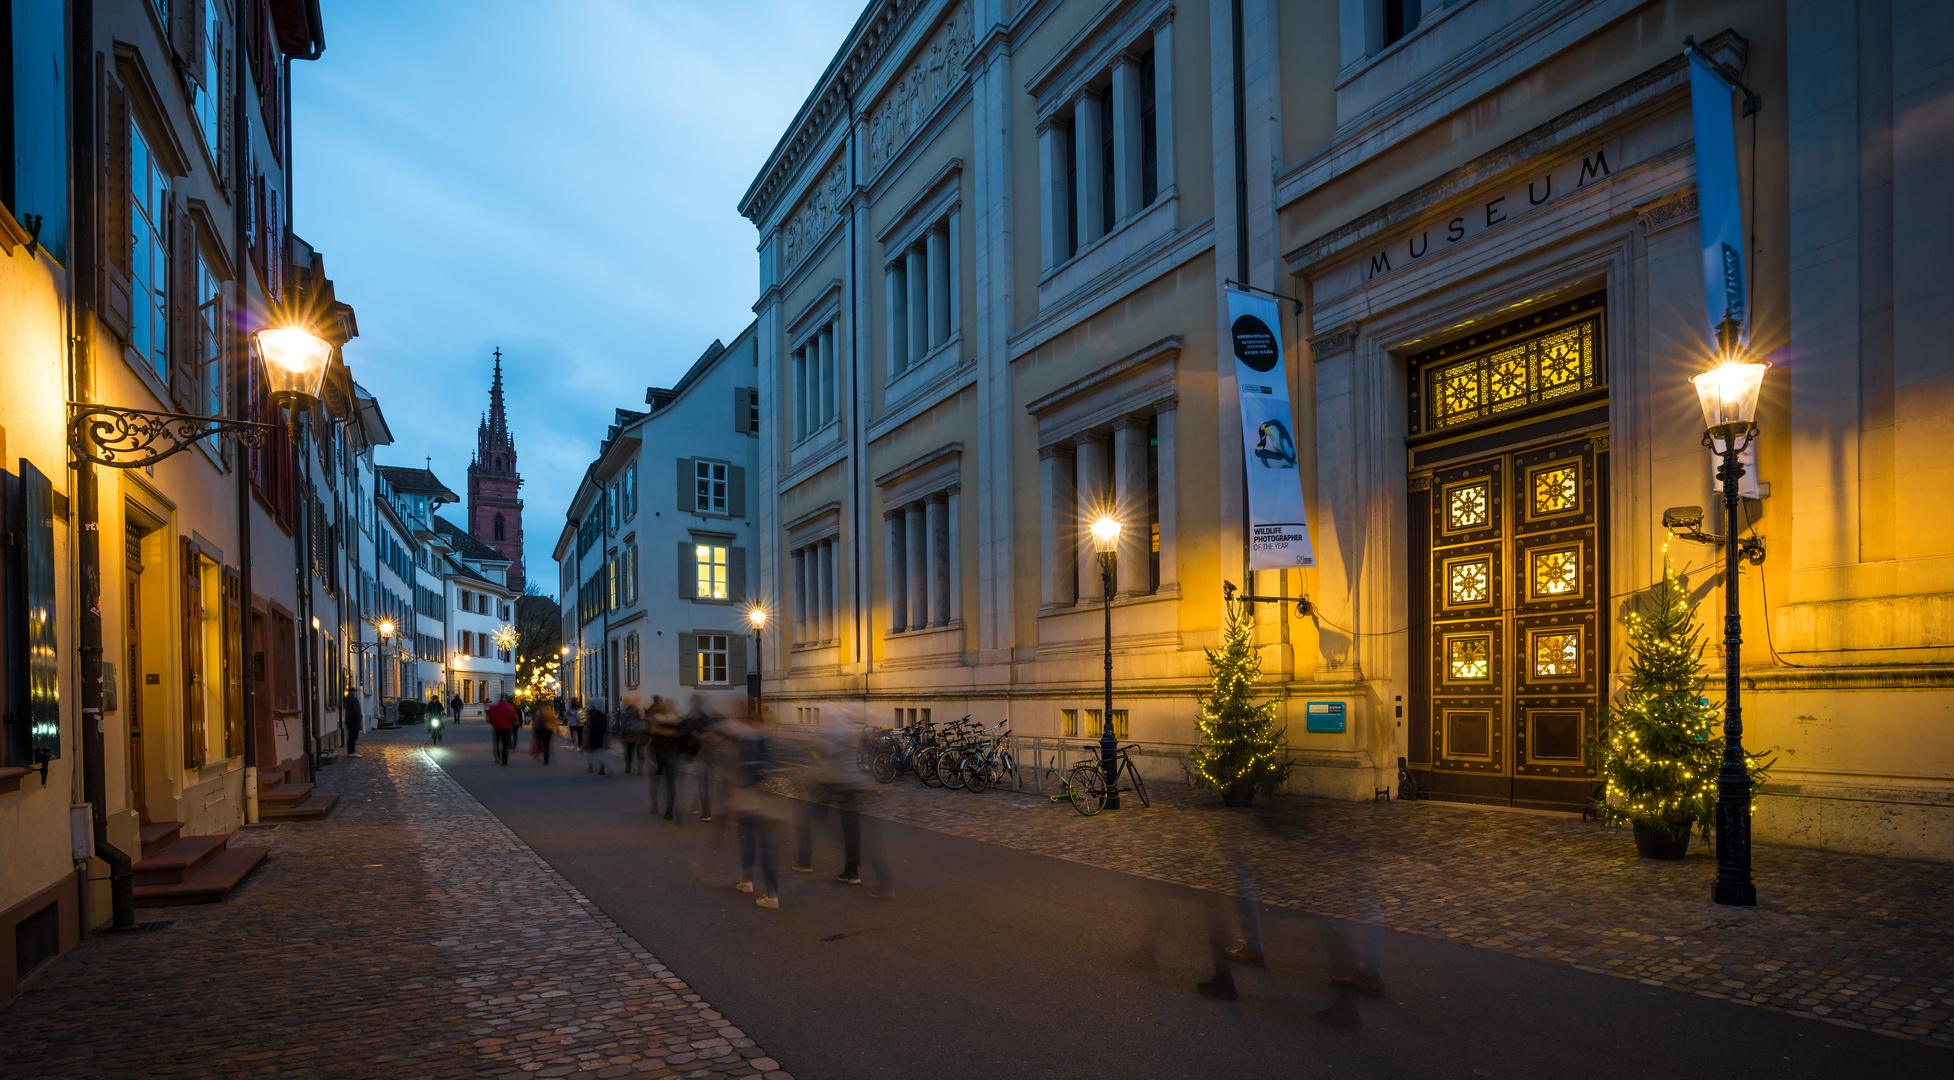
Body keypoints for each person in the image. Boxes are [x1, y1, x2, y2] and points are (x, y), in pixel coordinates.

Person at [726, 713, 781, 909]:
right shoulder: (764, 741)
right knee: (764, 845)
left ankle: (754, 885)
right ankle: (760, 887)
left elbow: (742, 771)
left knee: (750, 842)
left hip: (749, 800)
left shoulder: (746, 741)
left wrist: (735, 794)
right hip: (767, 801)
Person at [648, 696, 689, 822]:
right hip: (673, 755)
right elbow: (684, 740)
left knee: (657, 783)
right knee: (672, 785)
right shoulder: (679, 721)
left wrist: (654, 755)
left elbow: (653, 741)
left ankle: (655, 806)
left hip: (660, 756)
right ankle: (671, 809)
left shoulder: (657, 721)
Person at [684, 694, 721, 821]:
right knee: (704, 782)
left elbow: (688, 736)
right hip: (709, 753)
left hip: (698, 754)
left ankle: (705, 812)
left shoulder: (690, 717)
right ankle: (701, 808)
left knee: (698, 782)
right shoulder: (706, 717)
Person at [486, 695, 519, 765]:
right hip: (507, 728)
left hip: (497, 728)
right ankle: (505, 759)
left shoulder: (494, 707)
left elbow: (490, 718)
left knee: (497, 743)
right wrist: (511, 725)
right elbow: (515, 718)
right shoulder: (510, 707)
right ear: (506, 700)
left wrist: (494, 725)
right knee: (505, 744)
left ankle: (497, 756)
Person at [617, 700, 648, 775]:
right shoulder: (638, 716)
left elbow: (623, 727)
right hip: (638, 736)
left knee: (628, 752)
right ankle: (640, 770)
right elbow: (642, 726)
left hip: (629, 737)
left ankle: (628, 769)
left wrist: (622, 737)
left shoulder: (625, 717)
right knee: (640, 753)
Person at [584, 705, 611, 775]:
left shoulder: (594, 716)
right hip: (601, 736)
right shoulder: (603, 717)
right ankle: (602, 767)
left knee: (590, 752)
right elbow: (605, 728)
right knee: (601, 753)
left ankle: (590, 767)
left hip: (593, 736)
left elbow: (590, 726)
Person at [341, 687, 364, 758]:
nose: (355, 693)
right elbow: (356, 711)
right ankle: (351, 751)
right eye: (355, 692)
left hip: (349, 721)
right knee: (353, 737)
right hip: (354, 721)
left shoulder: (347, 699)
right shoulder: (354, 700)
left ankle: (350, 751)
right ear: (353, 692)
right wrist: (358, 720)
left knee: (351, 737)